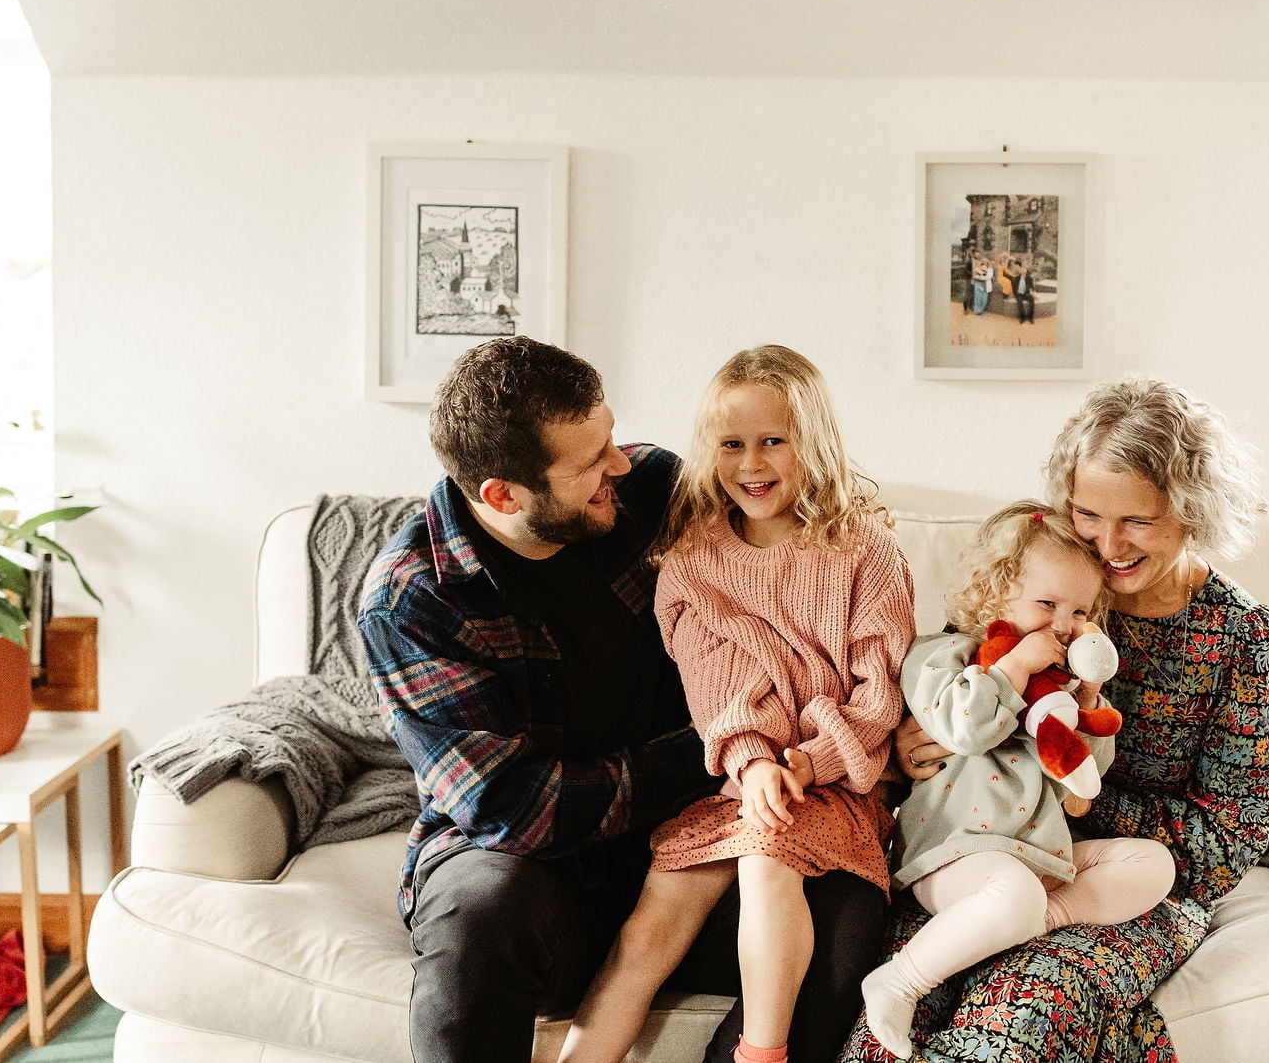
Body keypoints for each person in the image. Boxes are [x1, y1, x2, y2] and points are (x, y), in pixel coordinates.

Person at [359, 337, 885, 1063]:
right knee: (481, 913)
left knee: (849, 914)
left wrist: (899, 719)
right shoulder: (413, 601)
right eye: (591, 461)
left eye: (609, 436)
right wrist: (732, 752)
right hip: (536, 862)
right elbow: (513, 809)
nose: (622, 463)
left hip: (695, 826)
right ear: (504, 495)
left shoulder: (654, 492)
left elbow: (806, 596)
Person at [847, 377, 1269, 1063]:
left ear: (1193, 510)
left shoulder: (1246, 640)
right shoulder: (1039, 587)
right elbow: (956, 699)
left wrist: (1074, 791)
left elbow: (1225, 846)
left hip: (1112, 889)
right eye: (1088, 513)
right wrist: (906, 756)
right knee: (883, 1035)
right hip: (982, 854)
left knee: (1020, 1017)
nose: (1108, 544)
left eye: (1138, 520)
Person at [559, 345, 915, 1063]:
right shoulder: (694, 563)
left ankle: (761, 1051)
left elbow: (879, 695)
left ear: (812, 442)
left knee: (764, 858)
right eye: (731, 444)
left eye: (773, 440)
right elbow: (717, 689)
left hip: (834, 786)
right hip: (737, 781)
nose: (751, 463)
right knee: (647, 933)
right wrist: (753, 764)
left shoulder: (866, 553)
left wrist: (804, 764)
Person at [859, 501, 1173, 1059]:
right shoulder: (942, 656)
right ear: (994, 591)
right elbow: (964, 727)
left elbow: (1087, 777)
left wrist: (1088, 702)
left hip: (1039, 859)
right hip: (953, 855)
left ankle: (1030, 920)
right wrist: (1015, 667)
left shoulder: (1061, 689)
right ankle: (900, 981)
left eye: (1079, 611)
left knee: (1153, 864)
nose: (1063, 625)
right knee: (1014, 892)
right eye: (1047, 604)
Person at [1010, 260, 1035, 325]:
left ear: (1026, 271)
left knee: (1032, 300)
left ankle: (1030, 317)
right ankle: (1022, 318)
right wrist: (1014, 293)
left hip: (1026, 294)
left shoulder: (1029, 278)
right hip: (1019, 294)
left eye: (1024, 270)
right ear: (1020, 272)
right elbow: (1013, 287)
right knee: (1020, 303)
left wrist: (1033, 292)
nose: (1023, 271)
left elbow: (1032, 286)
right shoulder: (1016, 278)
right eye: (1022, 270)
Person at [969, 251, 993, 318]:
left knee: (984, 298)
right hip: (978, 283)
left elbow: (989, 276)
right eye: (983, 262)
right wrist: (977, 276)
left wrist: (981, 277)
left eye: (986, 262)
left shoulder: (990, 269)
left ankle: (981, 309)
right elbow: (975, 274)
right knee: (977, 298)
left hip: (985, 285)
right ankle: (977, 311)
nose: (985, 263)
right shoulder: (979, 267)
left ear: (988, 262)